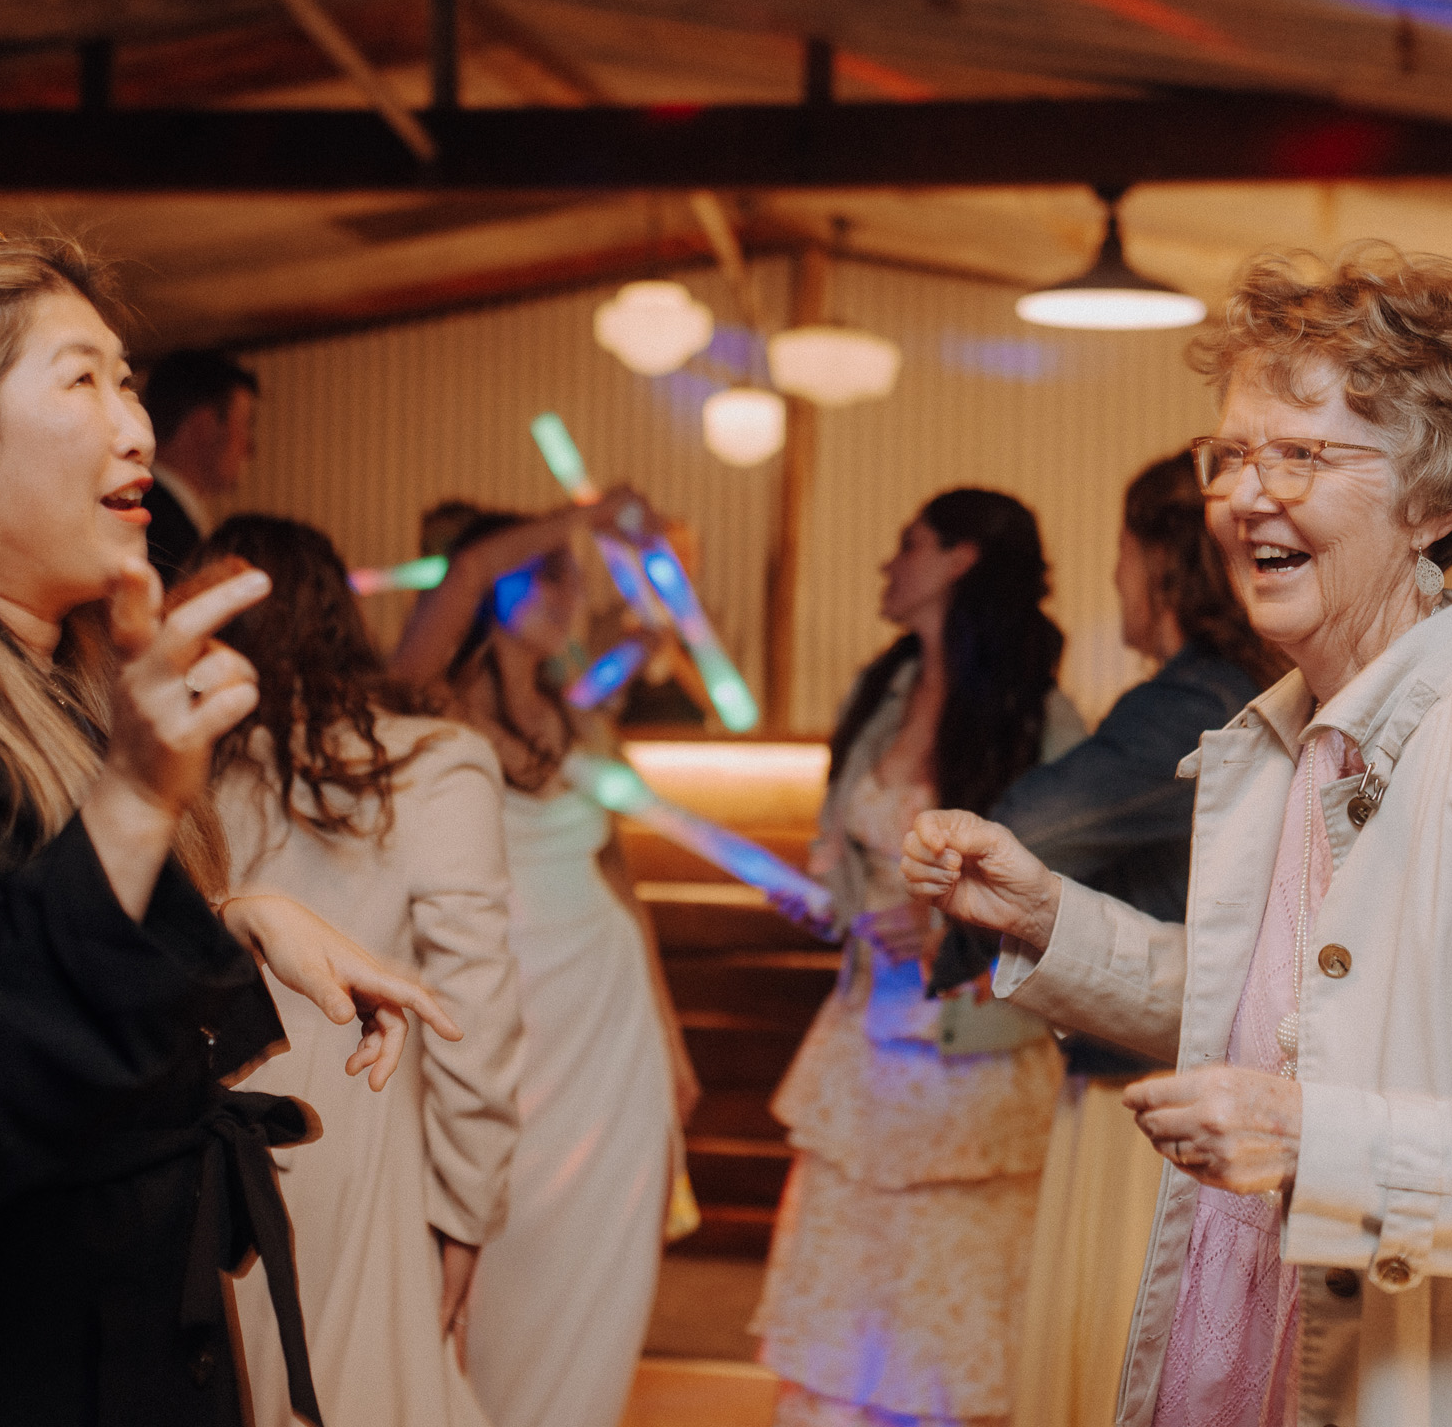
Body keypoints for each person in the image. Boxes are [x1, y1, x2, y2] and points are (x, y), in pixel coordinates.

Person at [903, 244, 1452, 1427]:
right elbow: (1277, 1014)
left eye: (1300, 454)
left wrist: (1325, 1143)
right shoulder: (1287, 740)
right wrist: (1053, 922)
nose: (1246, 494)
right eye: (1233, 453)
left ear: (1437, 499)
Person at [0, 216, 455, 1426]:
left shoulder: (34, 697)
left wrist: (232, 916)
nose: (139, 427)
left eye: (131, 382)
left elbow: (3, 937)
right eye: (84, 381)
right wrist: (130, 801)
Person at [922, 454, 1278, 1427]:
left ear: (1163, 561)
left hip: (1145, 1098)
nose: (1113, 578)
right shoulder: (1249, 686)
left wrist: (940, 932)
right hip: (1188, 1079)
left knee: (1114, 1370)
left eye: (1121, 553)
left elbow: (1017, 838)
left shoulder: (1183, 701)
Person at [752, 488, 1087, 1427]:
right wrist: (827, 899)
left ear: (961, 560)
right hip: (864, 1052)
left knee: (946, 1337)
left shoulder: (1039, 718)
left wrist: (960, 933)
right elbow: (842, 849)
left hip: (970, 1063)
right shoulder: (887, 689)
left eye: (908, 544)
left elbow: (1085, 902)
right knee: (844, 1321)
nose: (886, 565)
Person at [200, 516, 524, 1427]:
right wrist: (467, 1205)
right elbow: (473, 1013)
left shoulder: (158, 768)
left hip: (199, 1124)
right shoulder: (434, 763)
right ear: (343, 616)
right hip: (352, 1123)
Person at [392, 501, 697, 1427]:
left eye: (575, 570)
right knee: (497, 1238)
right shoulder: (430, 702)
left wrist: (671, 1035)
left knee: (599, 1252)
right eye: (552, 571)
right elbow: (459, 579)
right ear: (498, 580)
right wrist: (586, 513)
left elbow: (622, 884)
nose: (572, 591)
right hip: (501, 1004)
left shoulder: (582, 719)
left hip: (608, 1016)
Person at [139, 348, 258, 581]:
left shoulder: (165, 512)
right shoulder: (156, 526)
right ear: (205, 427)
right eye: (244, 425)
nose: (250, 447)